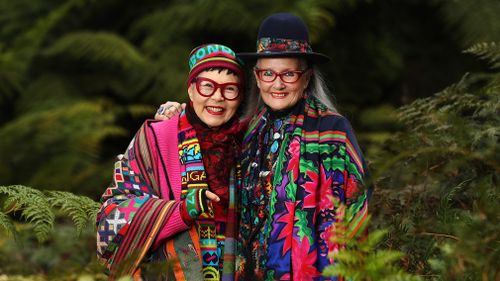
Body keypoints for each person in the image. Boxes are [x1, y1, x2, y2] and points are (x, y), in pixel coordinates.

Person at [155, 13, 370, 281]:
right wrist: (176, 115)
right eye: (268, 73)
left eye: (289, 74)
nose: (277, 84)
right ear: (256, 77)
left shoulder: (332, 132)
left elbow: (345, 222)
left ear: (307, 77)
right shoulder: (247, 132)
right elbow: (205, 128)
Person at [96, 43, 246, 281]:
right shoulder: (155, 137)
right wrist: (182, 211)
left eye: (230, 89)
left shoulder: (250, 140)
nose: (217, 97)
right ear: (191, 90)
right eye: (207, 86)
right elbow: (112, 215)